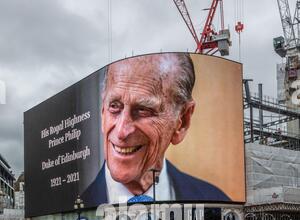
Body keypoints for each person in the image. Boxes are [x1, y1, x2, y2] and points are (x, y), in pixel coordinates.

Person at [83, 53, 230, 206]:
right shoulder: (76, 206)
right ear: (102, 112)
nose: (121, 131)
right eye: (114, 106)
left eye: (143, 110)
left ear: (182, 121)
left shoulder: (216, 202)